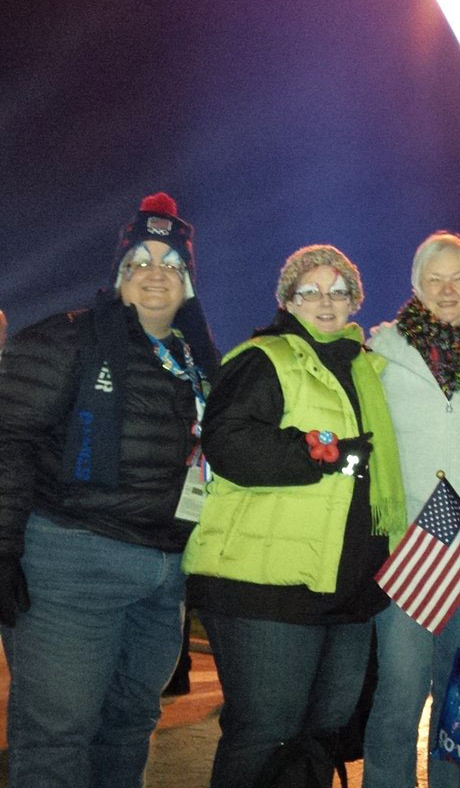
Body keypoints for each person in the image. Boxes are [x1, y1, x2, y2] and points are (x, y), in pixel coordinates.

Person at [0, 192, 218, 788]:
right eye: (140, 260)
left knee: (129, 722)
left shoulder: (198, 359)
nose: (156, 272)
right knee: (56, 734)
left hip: (165, 571)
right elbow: (8, 439)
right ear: (119, 274)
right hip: (73, 564)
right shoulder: (67, 338)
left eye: (171, 263)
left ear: (188, 283)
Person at [182, 243, 407, 788]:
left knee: (323, 731)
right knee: (266, 730)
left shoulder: (367, 369)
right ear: (288, 299)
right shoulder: (266, 358)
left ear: (355, 300)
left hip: (346, 590)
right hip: (266, 585)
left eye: (338, 291)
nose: (325, 302)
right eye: (310, 291)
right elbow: (230, 443)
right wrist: (324, 452)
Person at [362, 232, 460, 788]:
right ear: (416, 286)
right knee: (400, 690)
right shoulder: (381, 352)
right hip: (406, 549)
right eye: (434, 279)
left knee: (455, 689)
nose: (447, 289)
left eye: (458, 278)